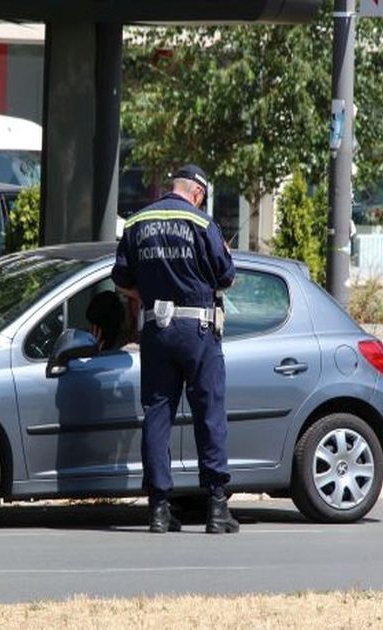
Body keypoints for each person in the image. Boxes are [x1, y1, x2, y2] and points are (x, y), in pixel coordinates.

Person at [112, 164, 238, 534]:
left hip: (157, 328)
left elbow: (121, 279)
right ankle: (216, 509)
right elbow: (226, 276)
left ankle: (159, 510)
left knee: (157, 414)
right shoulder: (201, 224)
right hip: (198, 330)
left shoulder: (137, 223)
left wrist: (151, 296)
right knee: (209, 414)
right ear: (197, 193)